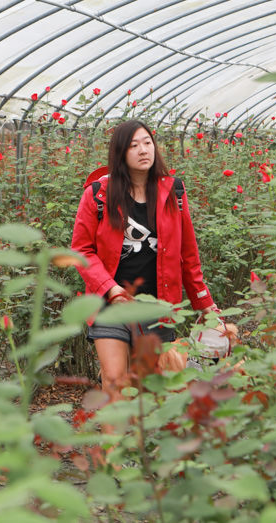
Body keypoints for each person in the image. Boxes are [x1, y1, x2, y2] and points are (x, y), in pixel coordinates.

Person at [71, 120, 224, 402]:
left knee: (151, 387)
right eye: (133, 145)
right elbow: (81, 251)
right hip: (110, 303)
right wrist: (110, 288)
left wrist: (206, 305)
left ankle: (141, 443)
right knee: (115, 378)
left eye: (147, 142)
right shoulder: (98, 194)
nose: (143, 150)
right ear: (120, 153)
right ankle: (113, 446)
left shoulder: (173, 193)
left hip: (158, 305)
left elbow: (188, 256)